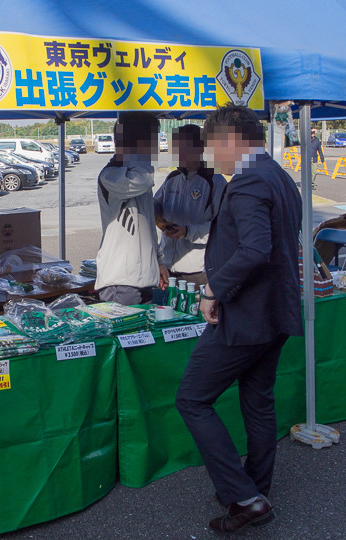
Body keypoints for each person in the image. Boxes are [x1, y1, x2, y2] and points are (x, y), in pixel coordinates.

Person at [175, 104, 303, 533]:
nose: (212, 156)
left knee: (192, 398)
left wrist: (213, 290)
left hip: (246, 317)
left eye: (213, 146)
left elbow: (254, 250)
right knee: (258, 403)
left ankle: (246, 497)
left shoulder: (248, 181)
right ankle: (254, 490)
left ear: (231, 139)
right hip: (276, 312)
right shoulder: (280, 177)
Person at [95, 111, 168, 305]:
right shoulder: (112, 175)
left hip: (144, 277)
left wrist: (159, 262)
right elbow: (143, 180)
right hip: (121, 281)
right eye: (152, 140)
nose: (155, 148)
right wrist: (135, 156)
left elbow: (149, 226)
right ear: (136, 142)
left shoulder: (137, 171)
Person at [154, 125, 227, 287]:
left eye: (184, 147)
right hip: (168, 267)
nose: (179, 153)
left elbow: (223, 227)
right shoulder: (172, 178)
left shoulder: (215, 181)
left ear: (200, 148)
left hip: (198, 272)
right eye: (177, 148)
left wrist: (188, 231)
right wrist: (155, 214)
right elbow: (155, 204)